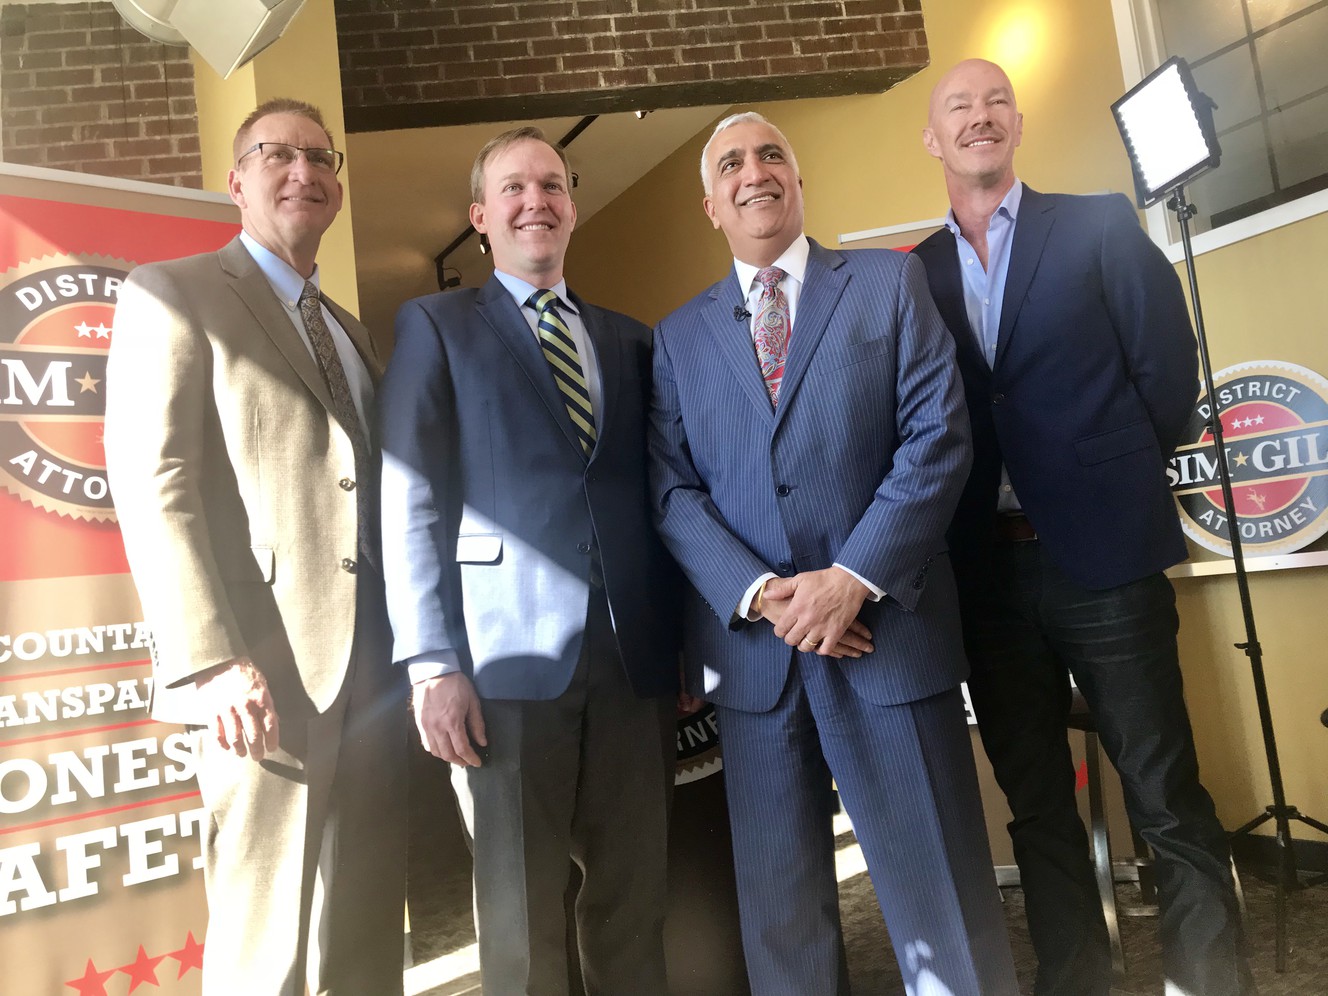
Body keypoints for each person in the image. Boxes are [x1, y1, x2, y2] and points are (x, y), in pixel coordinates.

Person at [649, 110, 1019, 995]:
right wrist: (763, 593)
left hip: (887, 639)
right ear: (710, 203)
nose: (754, 171)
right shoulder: (676, 337)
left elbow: (938, 439)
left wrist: (851, 579)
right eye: (731, 162)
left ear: (798, 178)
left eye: (771, 153)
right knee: (782, 915)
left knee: (941, 898)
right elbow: (670, 489)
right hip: (756, 661)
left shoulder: (888, 289)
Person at [912, 59, 1254, 996]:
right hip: (986, 581)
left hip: (1106, 561)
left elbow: (1166, 380)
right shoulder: (912, 275)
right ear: (933, 140)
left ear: (1017, 123)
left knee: (1163, 795)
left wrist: (1101, 480)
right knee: (1035, 809)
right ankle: (1075, 982)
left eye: (994, 102)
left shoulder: (1099, 224)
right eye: (958, 108)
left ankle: (1209, 983)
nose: (979, 118)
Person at [104, 98, 406, 994]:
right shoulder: (174, 291)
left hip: (375, 668)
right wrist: (207, 661)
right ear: (236, 181)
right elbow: (154, 482)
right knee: (266, 927)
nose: (304, 170)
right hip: (261, 672)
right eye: (277, 154)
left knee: (364, 910)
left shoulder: (350, 329)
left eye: (321, 157)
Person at [379, 126, 678, 995]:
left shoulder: (629, 339)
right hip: (499, 664)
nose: (534, 201)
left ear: (573, 209)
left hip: (632, 659)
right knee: (518, 908)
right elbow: (411, 494)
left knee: (633, 897)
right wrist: (431, 662)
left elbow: (660, 495)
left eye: (551, 185)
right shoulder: (435, 325)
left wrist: (683, 638)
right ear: (481, 216)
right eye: (513, 188)